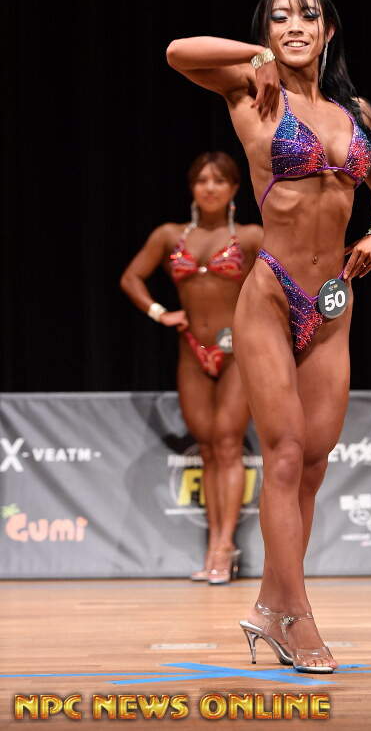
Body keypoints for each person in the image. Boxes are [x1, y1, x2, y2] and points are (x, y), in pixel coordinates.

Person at [166, 0, 371, 673]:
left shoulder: (356, 113)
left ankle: (270, 605)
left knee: (315, 462)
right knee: (287, 453)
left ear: (328, 31)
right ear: (266, 31)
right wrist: (255, 56)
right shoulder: (251, 91)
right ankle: (297, 617)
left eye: (308, 16)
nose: (294, 26)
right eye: (279, 18)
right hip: (270, 295)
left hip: (332, 302)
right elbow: (178, 51)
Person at [120, 152, 262, 584]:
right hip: (191, 351)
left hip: (236, 351)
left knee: (228, 444)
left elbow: (280, 283)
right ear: (191, 188)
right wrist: (160, 312)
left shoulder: (252, 236)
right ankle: (213, 546)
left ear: (235, 189)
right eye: (202, 180)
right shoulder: (169, 235)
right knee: (207, 447)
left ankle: (223, 546)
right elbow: (131, 278)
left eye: (219, 180)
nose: (210, 188)